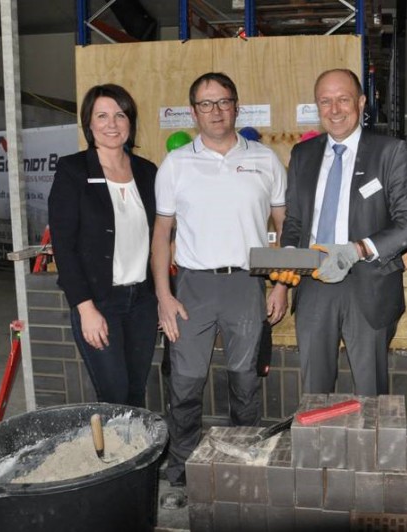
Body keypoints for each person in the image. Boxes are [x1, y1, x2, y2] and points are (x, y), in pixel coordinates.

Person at [151, 72, 288, 504]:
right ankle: (183, 469)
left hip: (247, 286)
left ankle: (244, 462)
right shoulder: (176, 164)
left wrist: (282, 286)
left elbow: (285, 228)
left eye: (223, 101)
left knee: (245, 384)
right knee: (186, 384)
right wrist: (163, 295)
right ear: (193, 112)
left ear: (236, 106)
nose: (215, 111)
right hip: (191, 287)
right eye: (206, 104)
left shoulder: (265, 160)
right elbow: (161, 234)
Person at [280, 68, 407, 396]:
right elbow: (295, 222)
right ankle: (318, 446)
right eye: (325, 101)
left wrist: (357, 249)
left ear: (360, 102)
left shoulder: (390, 152)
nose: (334, 110)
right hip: (314, 283)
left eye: (343, 100)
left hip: (368, 282)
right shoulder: (303, 155)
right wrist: (289, 254)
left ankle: (372, 448)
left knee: (370, 391)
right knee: (314, 390)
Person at [48, 84, 158, 408]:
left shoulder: (146, 171)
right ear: (89, 123)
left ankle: (137, 458)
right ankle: (114, 458)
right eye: (102, 116)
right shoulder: (73, 170)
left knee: (137, 392)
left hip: (141, 302)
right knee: (114, 396)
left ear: (130, 121)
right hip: (99, 303)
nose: (112, 123)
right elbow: (63, 247)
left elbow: (160, 235)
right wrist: (85, 309)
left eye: (120, 115)